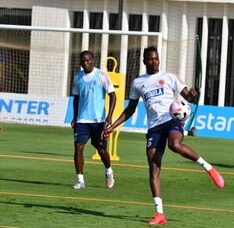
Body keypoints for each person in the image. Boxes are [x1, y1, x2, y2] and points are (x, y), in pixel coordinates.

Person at [103, 46, 224, 226]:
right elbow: (130, 109)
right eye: (150, 59)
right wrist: (112, 126)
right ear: (144, 61)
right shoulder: (138, 83)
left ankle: (208, 167)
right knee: (153, 169)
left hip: (171, 119)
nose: (154, 61)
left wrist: (192, 94)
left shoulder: (169, 77)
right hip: (154, 128)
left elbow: (188, 98)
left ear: (159, 60)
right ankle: (159, 214)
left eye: (156, 58)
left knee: (174, 144)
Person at [71, 50, 117, 189]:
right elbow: (76, 98)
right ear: (80, 62)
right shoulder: (77, 77)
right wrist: (74, 117)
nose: (86, 63)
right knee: (78, 148)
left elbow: (113, 95)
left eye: (88, 60)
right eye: (83, 61)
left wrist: (109, 116)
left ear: (93, 60)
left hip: (99, 121)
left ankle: (109, 172)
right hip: (82, 121)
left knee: (101, 150)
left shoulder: (101, 75)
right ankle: (80, 180)